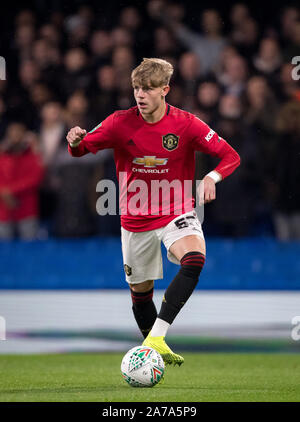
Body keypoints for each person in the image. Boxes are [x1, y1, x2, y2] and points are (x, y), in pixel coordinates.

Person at [66, 58, 240, 366]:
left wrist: (212, 177)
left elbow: (230, 155)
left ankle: (158, 336)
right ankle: (151, 348)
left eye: (147, 89)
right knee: (140, 293)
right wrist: (75, 141)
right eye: (136, 88)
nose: (140, 95)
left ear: (165, 90)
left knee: (195, 257)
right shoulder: (119, 122)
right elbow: (81, 149)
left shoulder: (186, 124)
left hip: (176, 209)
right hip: (135, 217)